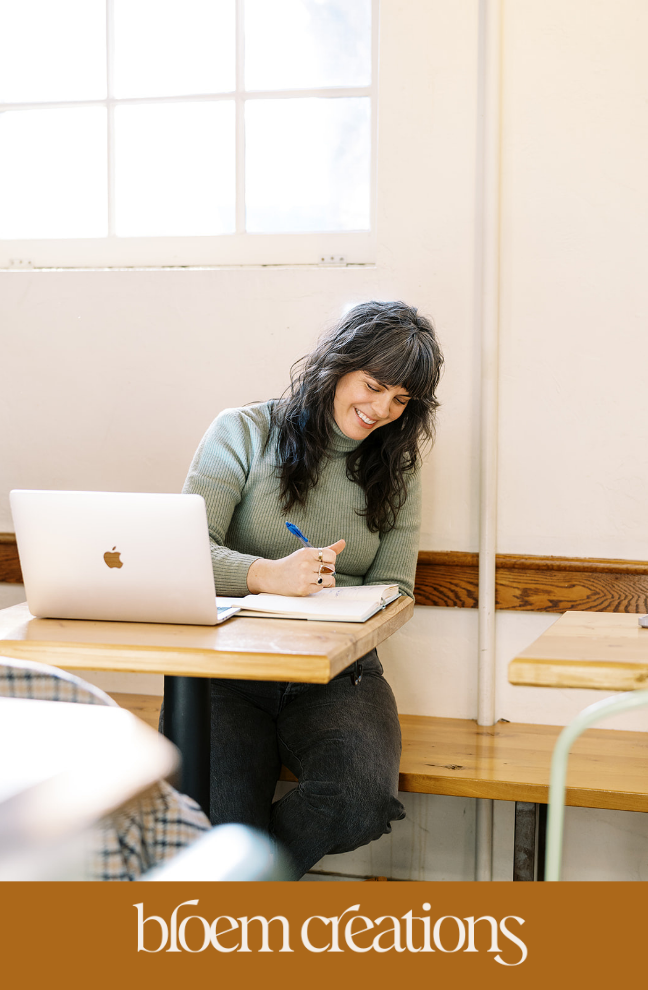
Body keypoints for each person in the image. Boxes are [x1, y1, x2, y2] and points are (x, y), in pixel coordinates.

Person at [183, 300, 443, 879]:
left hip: (341, 674)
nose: (382, 410)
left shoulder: (398, 466)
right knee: (221, 827)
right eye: (374, 386)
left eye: (401, 400)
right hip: (227, 671)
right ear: (336, 365)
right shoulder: (243, 431)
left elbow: (397, 588)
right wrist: (267, 576)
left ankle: (241, 889)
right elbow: (185, 552)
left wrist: (340, 607)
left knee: (359, 800)